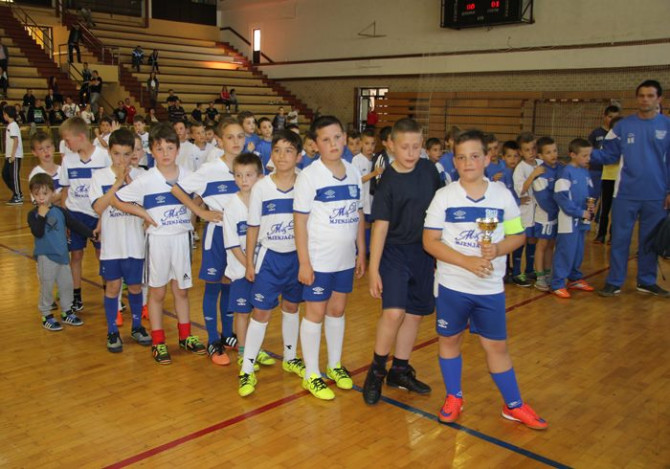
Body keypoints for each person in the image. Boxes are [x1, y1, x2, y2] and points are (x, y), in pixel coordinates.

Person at [423, 129, 548, 430]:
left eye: (475, 156)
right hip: (453, 286)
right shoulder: (444, 196)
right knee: (449, 340)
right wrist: (466, 261)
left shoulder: (502, 195)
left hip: (489, 289)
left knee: (497, 347)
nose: (468, 163)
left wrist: (499, 249)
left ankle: (513, 404)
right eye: (462, 157)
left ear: (487, 158)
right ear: (455, 161)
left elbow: (518, 235)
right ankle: (454, 397)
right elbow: (430, 241)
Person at [362, 118, 442, 405]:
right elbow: (380, 227)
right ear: (391, 146)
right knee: (394, 313)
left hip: (424, 252)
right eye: (404, 147)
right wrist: (373, 269)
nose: (410, 153)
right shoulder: (388, 181)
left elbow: (439, 209)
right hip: (394, 253)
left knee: (414, 314)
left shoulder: (429, 170)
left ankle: (400, 370)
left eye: (416, 147)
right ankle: (376, 371)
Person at [114, 123, 206, 364]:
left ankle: (185, 336)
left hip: (182, 238)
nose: (165, 153)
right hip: (158, 240)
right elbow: (118, 199)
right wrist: (143, 214)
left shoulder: (188, 175)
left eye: (170, 148)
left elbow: (202, 194)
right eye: (159, 148)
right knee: (157, 292)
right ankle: (158, 341)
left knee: (181, 291)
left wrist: (194, 208)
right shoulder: (147, 179)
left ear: (178, 149)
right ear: (151, 151)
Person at [294, 116, 366, 400]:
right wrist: (304, 262)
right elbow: (299, 221)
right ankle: (311, 374)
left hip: (345, 259)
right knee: (315, 314)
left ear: (345, 137)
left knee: (337, 311)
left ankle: (334, 365)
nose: (333, 144)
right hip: (318, 259)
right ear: (315, 145)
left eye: (337, 137)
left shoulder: (354, 172)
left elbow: (358, 213)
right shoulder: (309, 176)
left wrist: (361, 250)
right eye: (326, 139)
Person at [237, 130, 305, 397]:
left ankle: (290, 357)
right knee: (261, 313)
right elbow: (253, 227)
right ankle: (246, 368)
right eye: (277, 150)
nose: (282, 156)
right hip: (269, 259)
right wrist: (249, 263)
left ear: (299, 156)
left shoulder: (305, 184)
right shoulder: (261, 187)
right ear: (271, 154)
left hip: (297, 257)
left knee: (291, 307)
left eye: (289, 150)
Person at [591, 80, 670, 297]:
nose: (645, 99)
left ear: (659, 99)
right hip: (625, 193)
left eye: (650, 95)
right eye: (641, 95)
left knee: (649, 241)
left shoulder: (667, 126)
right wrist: (585, 154)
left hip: (656, 195)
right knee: (619, 239)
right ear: (637, 98)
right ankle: (614, 281)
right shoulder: (622, 126)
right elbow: (609, 155)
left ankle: (646, 281)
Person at [175, 119, 244, 365]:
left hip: (240, 236)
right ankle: (213, 339)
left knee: (230, 283)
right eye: (230, 137)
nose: (235, 141)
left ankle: (227, 334)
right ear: (220, 140)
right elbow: (178, 189)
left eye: (240, 136)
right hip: (216, 234)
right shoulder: (210, 169)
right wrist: (200, 212)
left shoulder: (249, 166)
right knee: (213, 285)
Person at [90, 128, 151, 351]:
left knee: (135, 286)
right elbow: (98, 207)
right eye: (117, 154)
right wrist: (117, 183)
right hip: (112, 246)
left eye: (126, 154)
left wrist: (130, 182)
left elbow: (146, 208)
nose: (122, 160)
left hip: (135, 243)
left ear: (133, 153)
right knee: (113, 287)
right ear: (109, 152)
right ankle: (112, 331)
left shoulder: (141, 177)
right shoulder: (100, 177)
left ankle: (136, 327)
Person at [59, 117, 111, 311]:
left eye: (68, 139)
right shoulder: (68, 160)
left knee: (102, 255)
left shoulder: (104, 157)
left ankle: (110, 294)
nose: (66, 144)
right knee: (76, 255)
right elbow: (65, 190)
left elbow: (110, 190)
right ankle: (76, 296)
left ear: (81, 136)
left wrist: (104, 217)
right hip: (75, 215)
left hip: (98, 215)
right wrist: (65, 219)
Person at [28, 173, 92, 331]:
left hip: (63, 256)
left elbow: (74, 224)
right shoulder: (33, 215)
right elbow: (37, 232)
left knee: (66, 285)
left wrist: (91, 233)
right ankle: (46, 315)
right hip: (46, 257)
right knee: (47, 286)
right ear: (33, 196)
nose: (41, 197)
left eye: (45, 193)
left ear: (52, 193)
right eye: (37, 194)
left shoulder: (59, 211)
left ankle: (67, 311)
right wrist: (41, 216)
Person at [222, 152, 263, 370]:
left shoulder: (263, 202)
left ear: (259, 176)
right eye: (238, 175)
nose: (243, 180)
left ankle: (255, 349)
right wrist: (248, 265)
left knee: (260, 311)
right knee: (243, 312)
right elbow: (232, 244)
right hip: (240, 270)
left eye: (249, 175)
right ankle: (243, 352)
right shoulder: (231, 206)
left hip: (261, 269)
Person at [550, 138, 597, 298]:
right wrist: (578, 212)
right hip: (568, 220)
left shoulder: (584, 172)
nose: (588, 159)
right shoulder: (565, 172)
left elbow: (588, 193)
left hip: (582, 219)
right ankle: (557, 283)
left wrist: (590, 207)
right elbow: (561, 197)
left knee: (578, 250)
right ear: (573, 155)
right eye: (584, 155)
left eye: (589, 155)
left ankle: (575, 278)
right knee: (566, 251)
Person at [525, 136, 560, 291]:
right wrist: (556, 210)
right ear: (540, 156)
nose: (553, 155)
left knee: (551, 244)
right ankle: (540, 277)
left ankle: (547, 272)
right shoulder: (541, 173)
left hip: (556, 214)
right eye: (548, 152)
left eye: (555, 151)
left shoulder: (560, 168)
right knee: (542, 244)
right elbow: (543, 199)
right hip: (545, 216)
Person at [511, 131, 539, 287]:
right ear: (521, 152)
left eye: (533, 148)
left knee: (533, 239)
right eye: (527, 150)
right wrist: (533, 175)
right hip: (524, 210)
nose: (531, 152)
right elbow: (521, 190)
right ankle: (516, 272)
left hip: (537, 210)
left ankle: (529, 269)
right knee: (521, 240)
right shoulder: (520, 169)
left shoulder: (540, 164)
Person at [591, 106, 621, 244]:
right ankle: (601, 234)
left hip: (620, 179)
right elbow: (605, 156)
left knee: (617, 209)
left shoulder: (624, 141)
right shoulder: (607, 140)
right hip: (607, 177)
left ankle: (613, 235)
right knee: (604, 208)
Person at [352, 128, 378, 254]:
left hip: (374, 200)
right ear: (361, 143)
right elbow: (358, 180)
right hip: (362, 200)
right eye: (367, 143)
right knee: (363, 225)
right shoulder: (356, 159)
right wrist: (374, 173)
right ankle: (361, 252)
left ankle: (371, 251)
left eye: (373, 144)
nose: (370, 147)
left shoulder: (377, 159)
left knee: (374, 225)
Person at [588, 105, 620, 205]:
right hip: (596, 170)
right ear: (604, 117)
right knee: (593, 197)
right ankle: (588, 214)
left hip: (611, 174)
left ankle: (600, 215)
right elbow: (588, 151)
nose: (612, 120)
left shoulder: (619, 134)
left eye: (615, 118)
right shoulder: (596, 133)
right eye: (610, 117)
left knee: (607, 201)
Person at [28, 131, 61, 204]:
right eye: (40, 149)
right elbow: (39, 202)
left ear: (54, 147)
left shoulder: (63, 170)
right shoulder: (35, 174)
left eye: (48, 147)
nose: (46, 151)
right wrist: (63, 194)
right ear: (34, 152)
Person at [3, 105, 24, 205]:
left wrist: (12, 155)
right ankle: (17, 192)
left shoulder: (13, 125)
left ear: (7, 114)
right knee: (5, 174)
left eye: (4, 114)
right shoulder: (10, 125)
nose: (3, 116)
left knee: (13, 176)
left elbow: (16, 140)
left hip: (14, 155)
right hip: (9, 155)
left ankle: (18, 196)